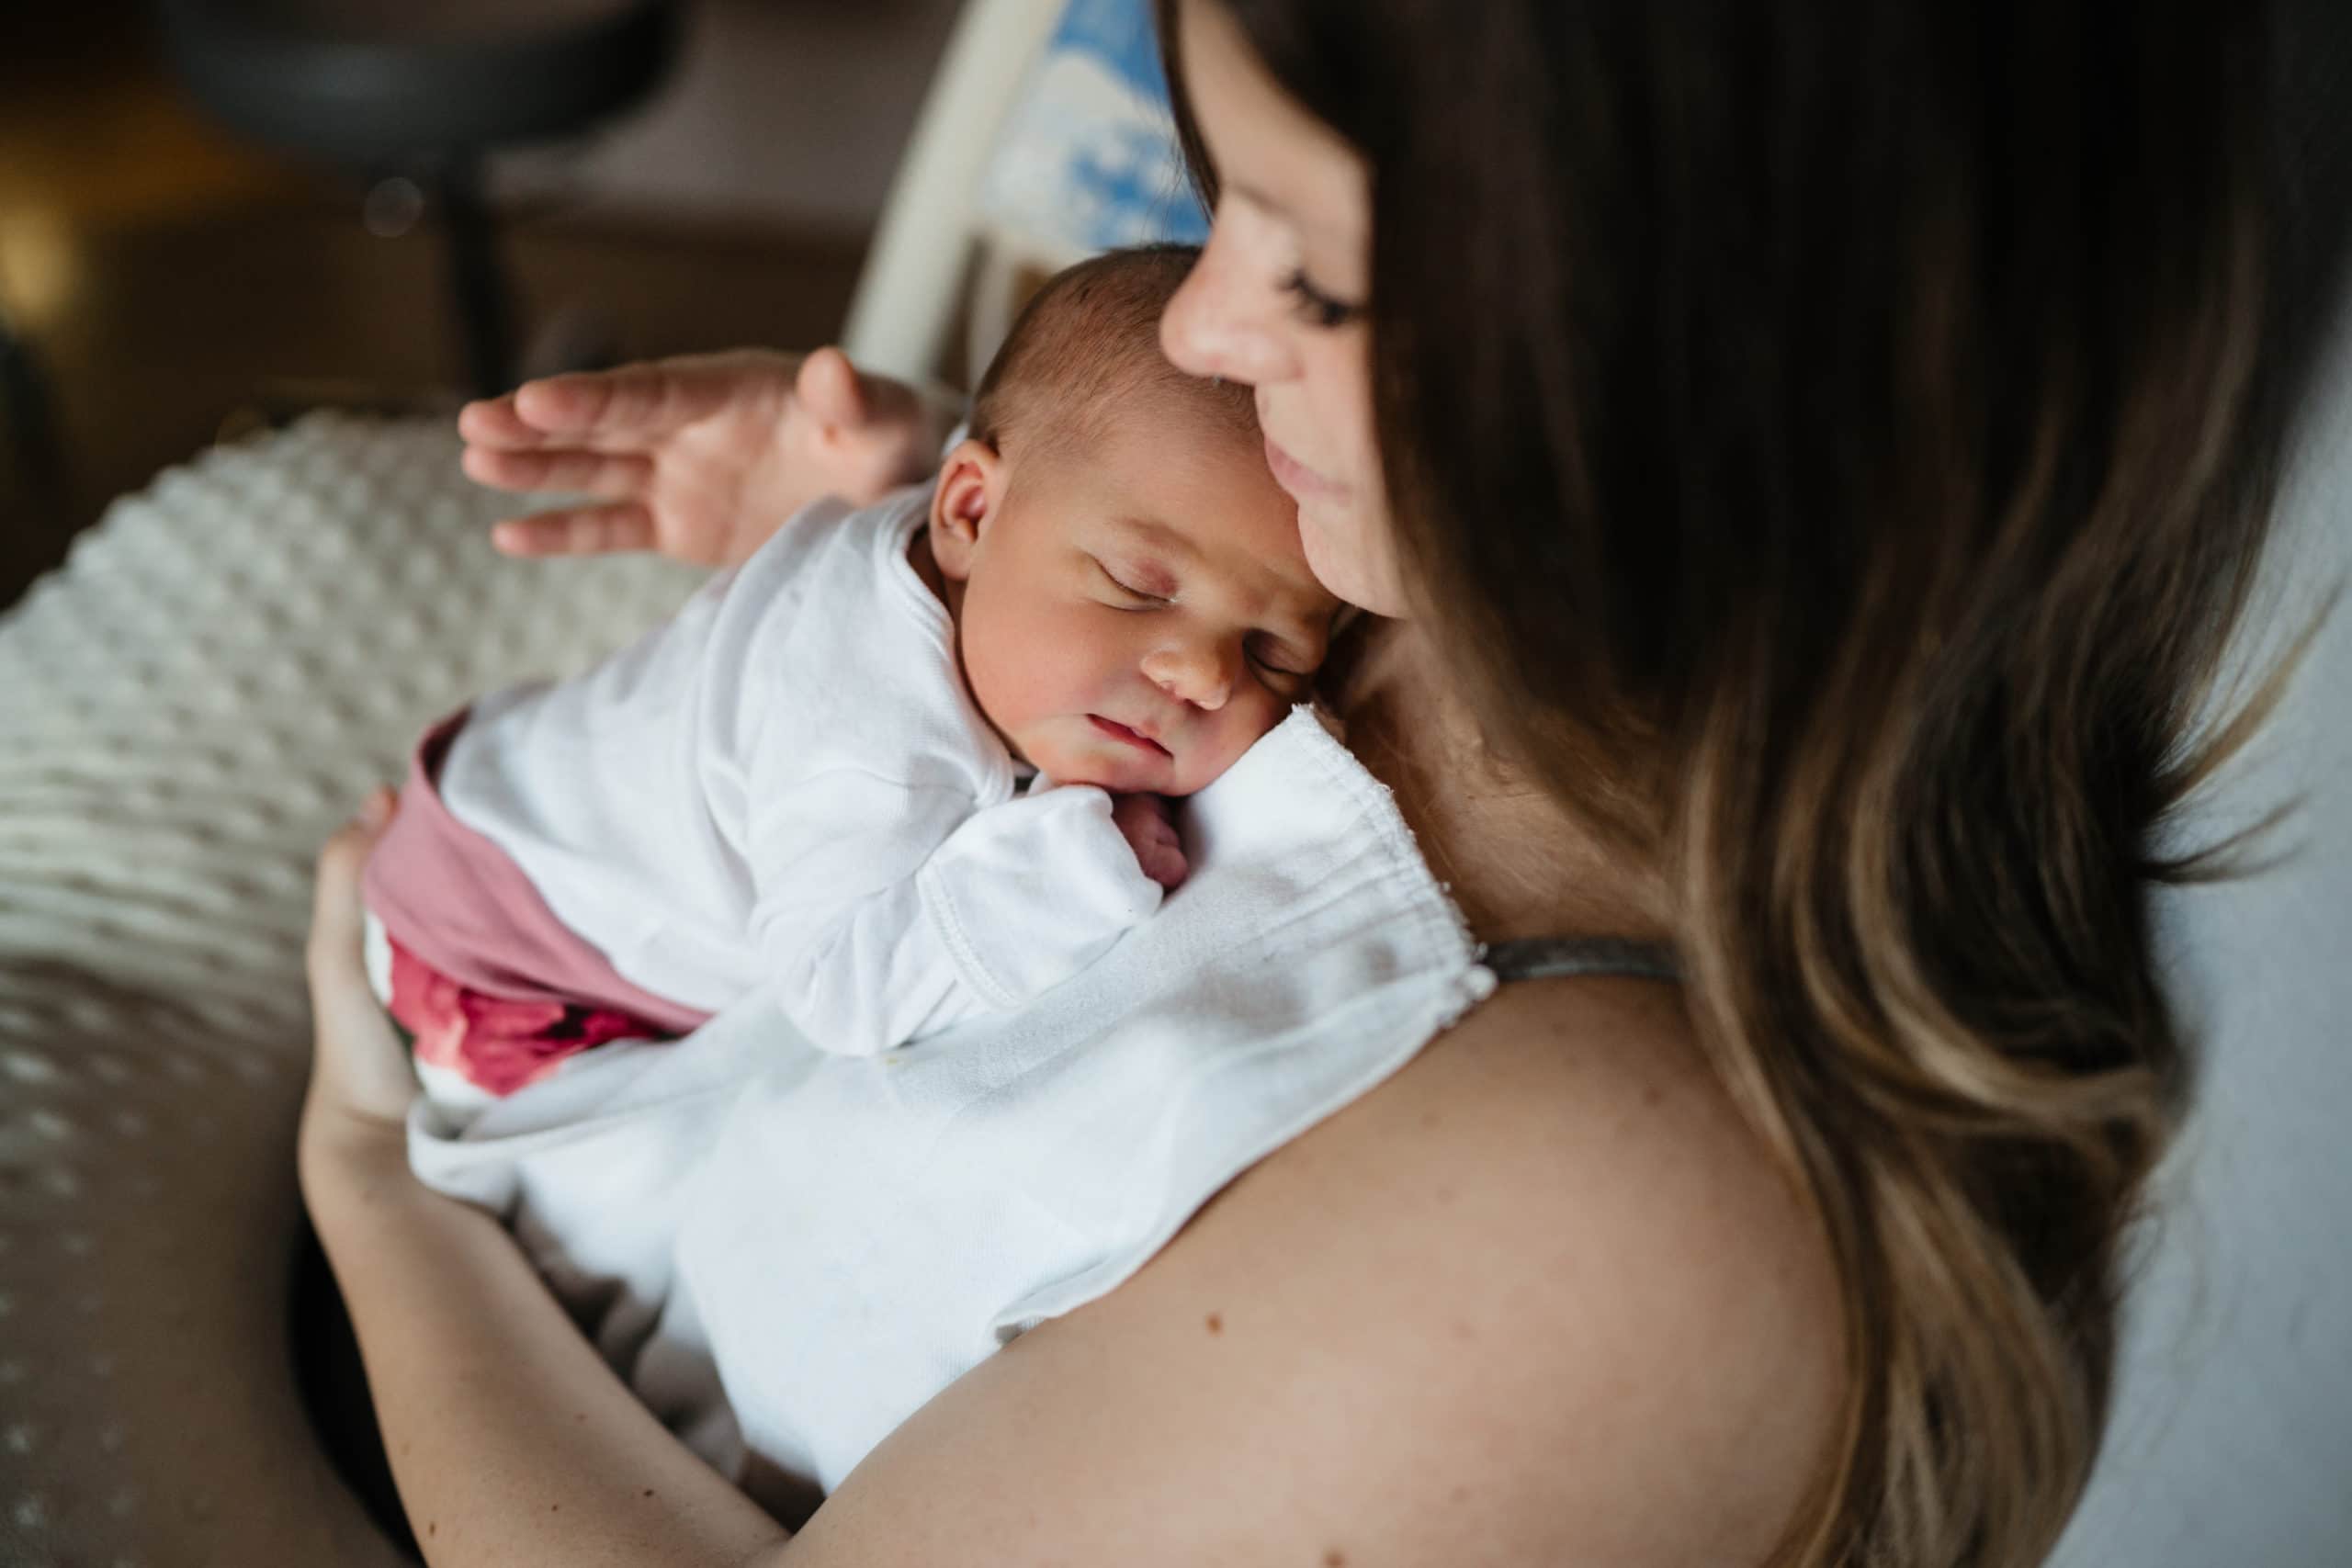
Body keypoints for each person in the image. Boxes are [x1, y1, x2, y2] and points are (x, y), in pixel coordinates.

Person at [295, 1, 2303, 1562]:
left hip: (465, 1344)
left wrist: (376, 1191)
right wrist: (923, 559)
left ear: (1683, 376)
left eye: (1315, 274)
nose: (1198, 318)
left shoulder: (1617, 1207)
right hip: (557, 1179)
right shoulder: (1386, 579)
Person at [358, 246, 1334, 1109]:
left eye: (1271, 652)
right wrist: (1071, 871)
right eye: (1134, 585)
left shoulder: (979, 542)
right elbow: (838, 990)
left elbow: (1054, 455)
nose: (1201, 674)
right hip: (505, 960)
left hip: (505, 785)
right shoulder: (873, 748)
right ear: (969, 511)